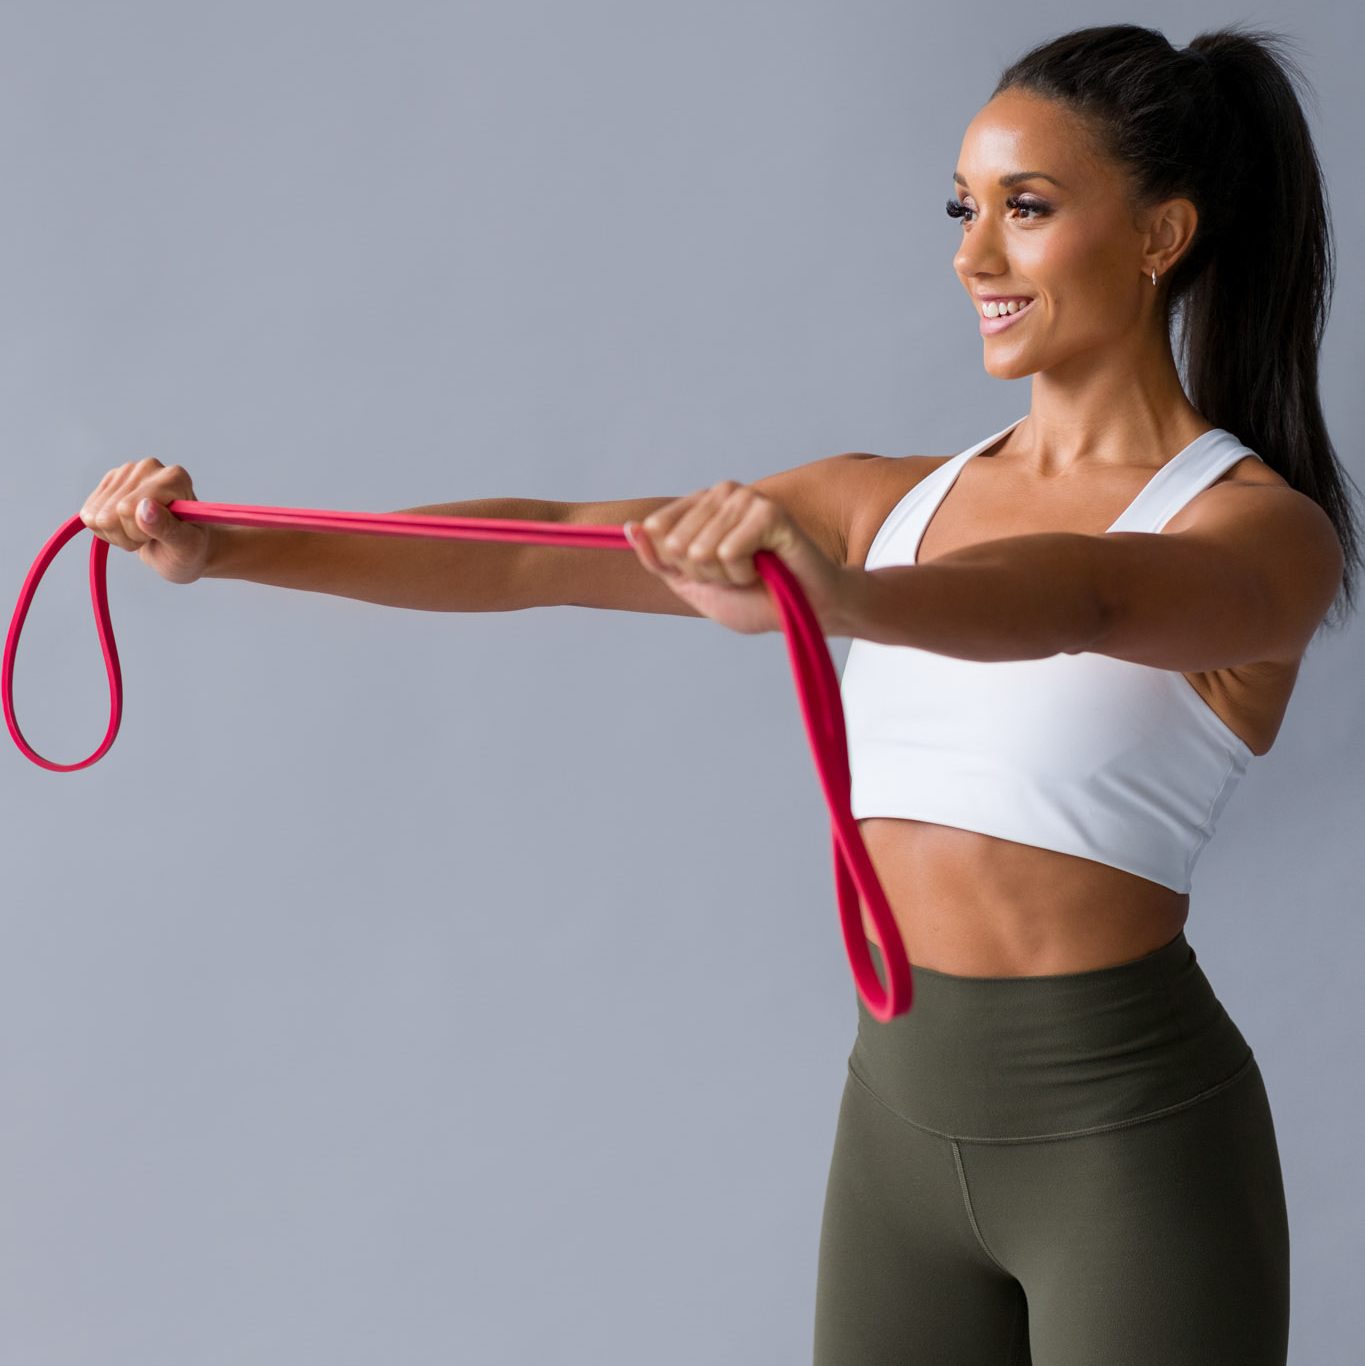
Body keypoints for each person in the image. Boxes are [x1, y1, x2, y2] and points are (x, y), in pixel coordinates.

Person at [77, 20, 1357, 1366]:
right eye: (962, 206)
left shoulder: (1255, 534)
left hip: (1121, 1137)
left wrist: (847, 601)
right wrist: (223, 548)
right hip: (894, 1123)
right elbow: (539, 547)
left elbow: (1082, 597)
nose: (970, 255)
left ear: (1160, 236)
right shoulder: (886, 497)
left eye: (1025, 209)